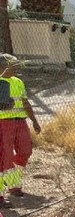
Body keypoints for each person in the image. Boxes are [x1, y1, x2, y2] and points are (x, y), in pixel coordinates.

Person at [0, 53, 42, 207]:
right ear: (4, 65)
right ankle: (13, 186)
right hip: (3, 123)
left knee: (25, 151)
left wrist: (34, 121)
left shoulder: (18, 82)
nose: (17, 66)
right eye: (14, 64)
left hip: (20, 121)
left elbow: (25, 103)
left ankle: (12, 179)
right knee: (5, 156)